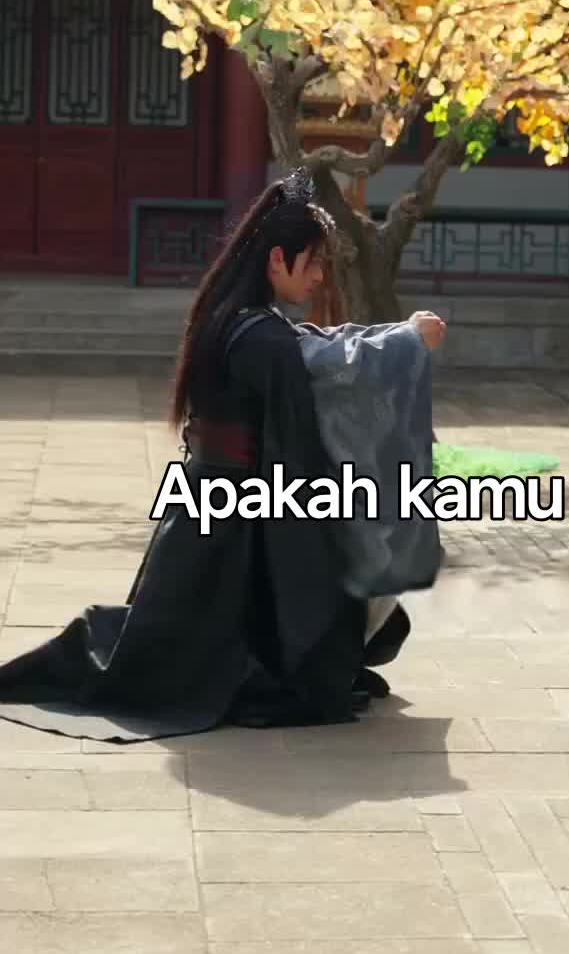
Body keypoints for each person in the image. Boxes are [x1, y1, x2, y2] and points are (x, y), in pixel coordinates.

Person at [0, 172, 447, 743]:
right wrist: (406, 342)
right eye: (313, 263)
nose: (319, 277)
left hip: (221, 507)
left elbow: (317, 349)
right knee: (288, 627)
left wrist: (400, 335)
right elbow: (326, 365)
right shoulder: (256, 335)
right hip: (235, 522)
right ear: (277, 259)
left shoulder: (239, 319)